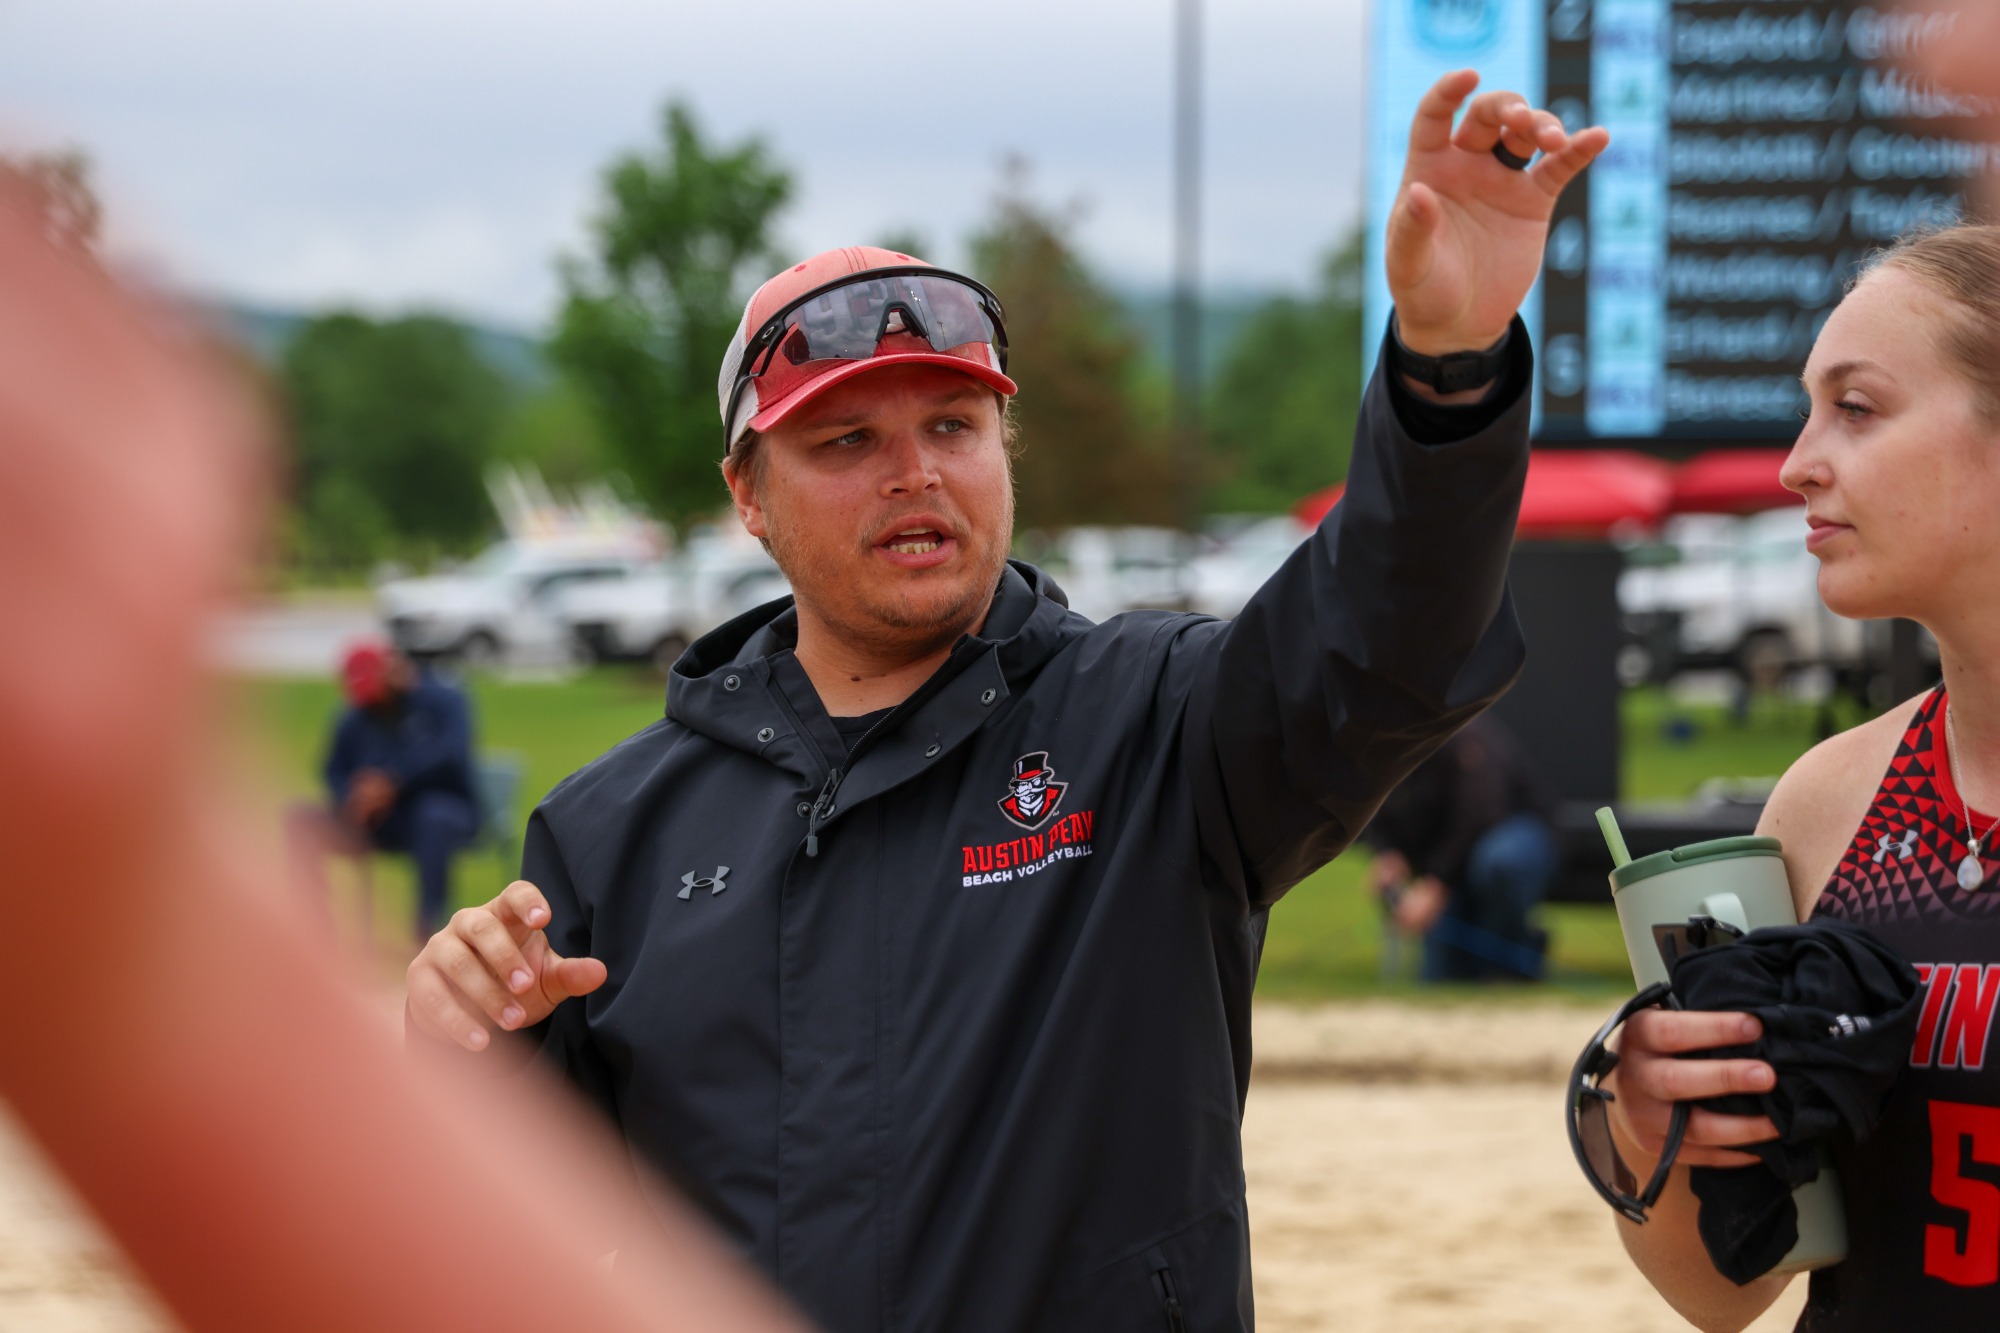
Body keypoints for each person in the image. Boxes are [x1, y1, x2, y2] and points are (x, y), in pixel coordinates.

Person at [406, 70, 1606, 1332]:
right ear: (747, 496)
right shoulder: (611, 836)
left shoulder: (1155, 725)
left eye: (951, 423)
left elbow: (1387, 638)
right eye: (844, 442)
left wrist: (1448, 373)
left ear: (1001, 448)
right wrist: (467, 1056)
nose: (915, 472)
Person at [0, 168, 804, 1333]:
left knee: (430, 825)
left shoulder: (433, 709)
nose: (370, 694)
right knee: (313, 827)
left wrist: (365, 793)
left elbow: (439, 770)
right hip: (322, 865)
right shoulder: (471, 759)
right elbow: (336, 776)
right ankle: (360, 942)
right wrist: (347, 793)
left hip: (427, 813)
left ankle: (376, 922)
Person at [1604, 223, 2000, 1329]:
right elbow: (1722, 1289)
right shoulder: (1828, 800)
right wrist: (1655, 1124)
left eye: (1856, 408)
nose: (1795, 462)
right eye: (1807, 407)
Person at [289, 639, 480, 942]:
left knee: (434, 815)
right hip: (375, 820)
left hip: (442, 811)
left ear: (395, 672)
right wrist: (354, 795)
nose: (372, 703)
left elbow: (452, 757)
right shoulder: (354, 716)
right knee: (299, 818)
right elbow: (333, 769)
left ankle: (428, 936)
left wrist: (394, 781)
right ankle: (316, 933)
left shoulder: (445, 701)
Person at [1362, 716, 1558, 981]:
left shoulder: (1463, 735)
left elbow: (1479, 815)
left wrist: (1435, 883)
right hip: (1452, 863)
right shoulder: (1381, 750)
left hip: (1515, 835)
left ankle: (1511, 961)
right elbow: (1376, 810)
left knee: (1500, 862)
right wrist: (1388, 853)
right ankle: (1485, 964)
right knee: (1439, 978)